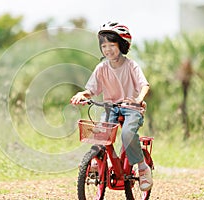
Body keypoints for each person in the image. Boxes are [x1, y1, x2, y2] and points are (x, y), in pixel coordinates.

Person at [70, 21, 153, 191]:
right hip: (111, 108)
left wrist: (138, 99)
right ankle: (96, 161)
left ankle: (143, 168)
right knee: (101, 132)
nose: (107, 49)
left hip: (132, 108)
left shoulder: (131, 66)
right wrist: (81, 95)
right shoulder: (101, 68)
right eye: (104, 45)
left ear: (122, 45)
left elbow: (144, 85)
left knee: (128, 134)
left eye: (112, 45)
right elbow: (91, 90)